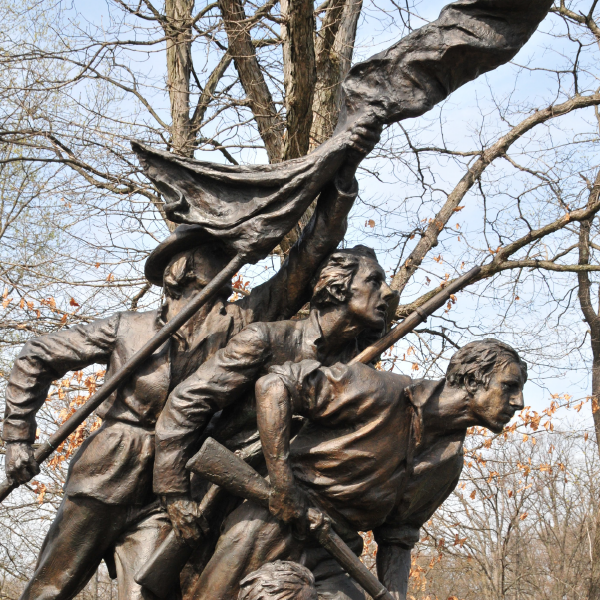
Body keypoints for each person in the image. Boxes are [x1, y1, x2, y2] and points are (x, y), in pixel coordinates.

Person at [1, 121, 380, 600]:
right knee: (50, 589)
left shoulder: (239, 322)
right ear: (182, 266)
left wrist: (342, 178)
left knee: (148, 595)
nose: (226, 262)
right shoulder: (127, 328)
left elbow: (306, 261)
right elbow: (36, 357)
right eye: (213, 254)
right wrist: (17, 438)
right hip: (108, 471)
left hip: (172, 486)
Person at [189, 339, 526, 600]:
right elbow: (274, 385)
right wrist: (283, 486)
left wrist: (394, 595)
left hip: (336, 552)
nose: (519, 403)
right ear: (469, 379)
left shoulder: (448, 463)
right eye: (509, 386)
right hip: (270, 527)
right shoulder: (377, 389)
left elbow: (399, 537)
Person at [153, 245, 397, 540]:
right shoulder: (266, 339)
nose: (388, 291)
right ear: (337, 287)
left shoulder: (363, 373)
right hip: (224, 495)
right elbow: (185, 404)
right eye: (374, 280)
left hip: (305, 513)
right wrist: (174, 492)